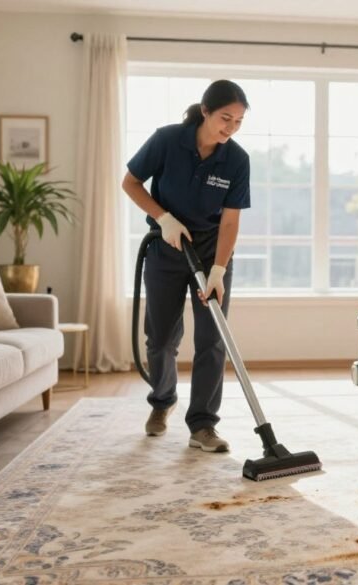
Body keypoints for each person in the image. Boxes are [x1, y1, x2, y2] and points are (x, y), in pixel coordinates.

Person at [122, 80, 251, 453]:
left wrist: (219, 270)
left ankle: (203, 425)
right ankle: (162, 402)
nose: (231, 127)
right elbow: (130, 183)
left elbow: (230, 221)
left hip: (211, 252)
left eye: (239, 121)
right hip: (165, 247)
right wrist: (162, 217)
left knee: (212, 341)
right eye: (226, 118)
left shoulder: (237, 159)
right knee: (160, 339)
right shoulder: (166, 140)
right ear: (206, 111)